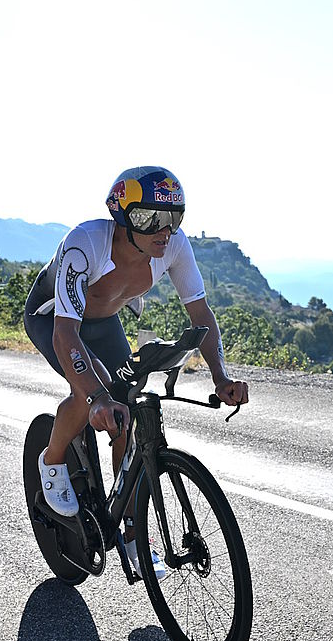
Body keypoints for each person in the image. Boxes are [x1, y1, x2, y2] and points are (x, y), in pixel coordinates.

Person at [24, 166, 250, 579]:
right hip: (55, 319)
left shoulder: (175, 247)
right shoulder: (84, 244)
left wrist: (221, 376)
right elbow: (65, 335)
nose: (164, 231)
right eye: (150, 219)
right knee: (95, 390)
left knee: (125, 413)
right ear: (123, 217)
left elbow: (200, 314)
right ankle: (51, 459)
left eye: (174, 218)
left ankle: (130, 529)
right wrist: (95, 397)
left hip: (103, 319)